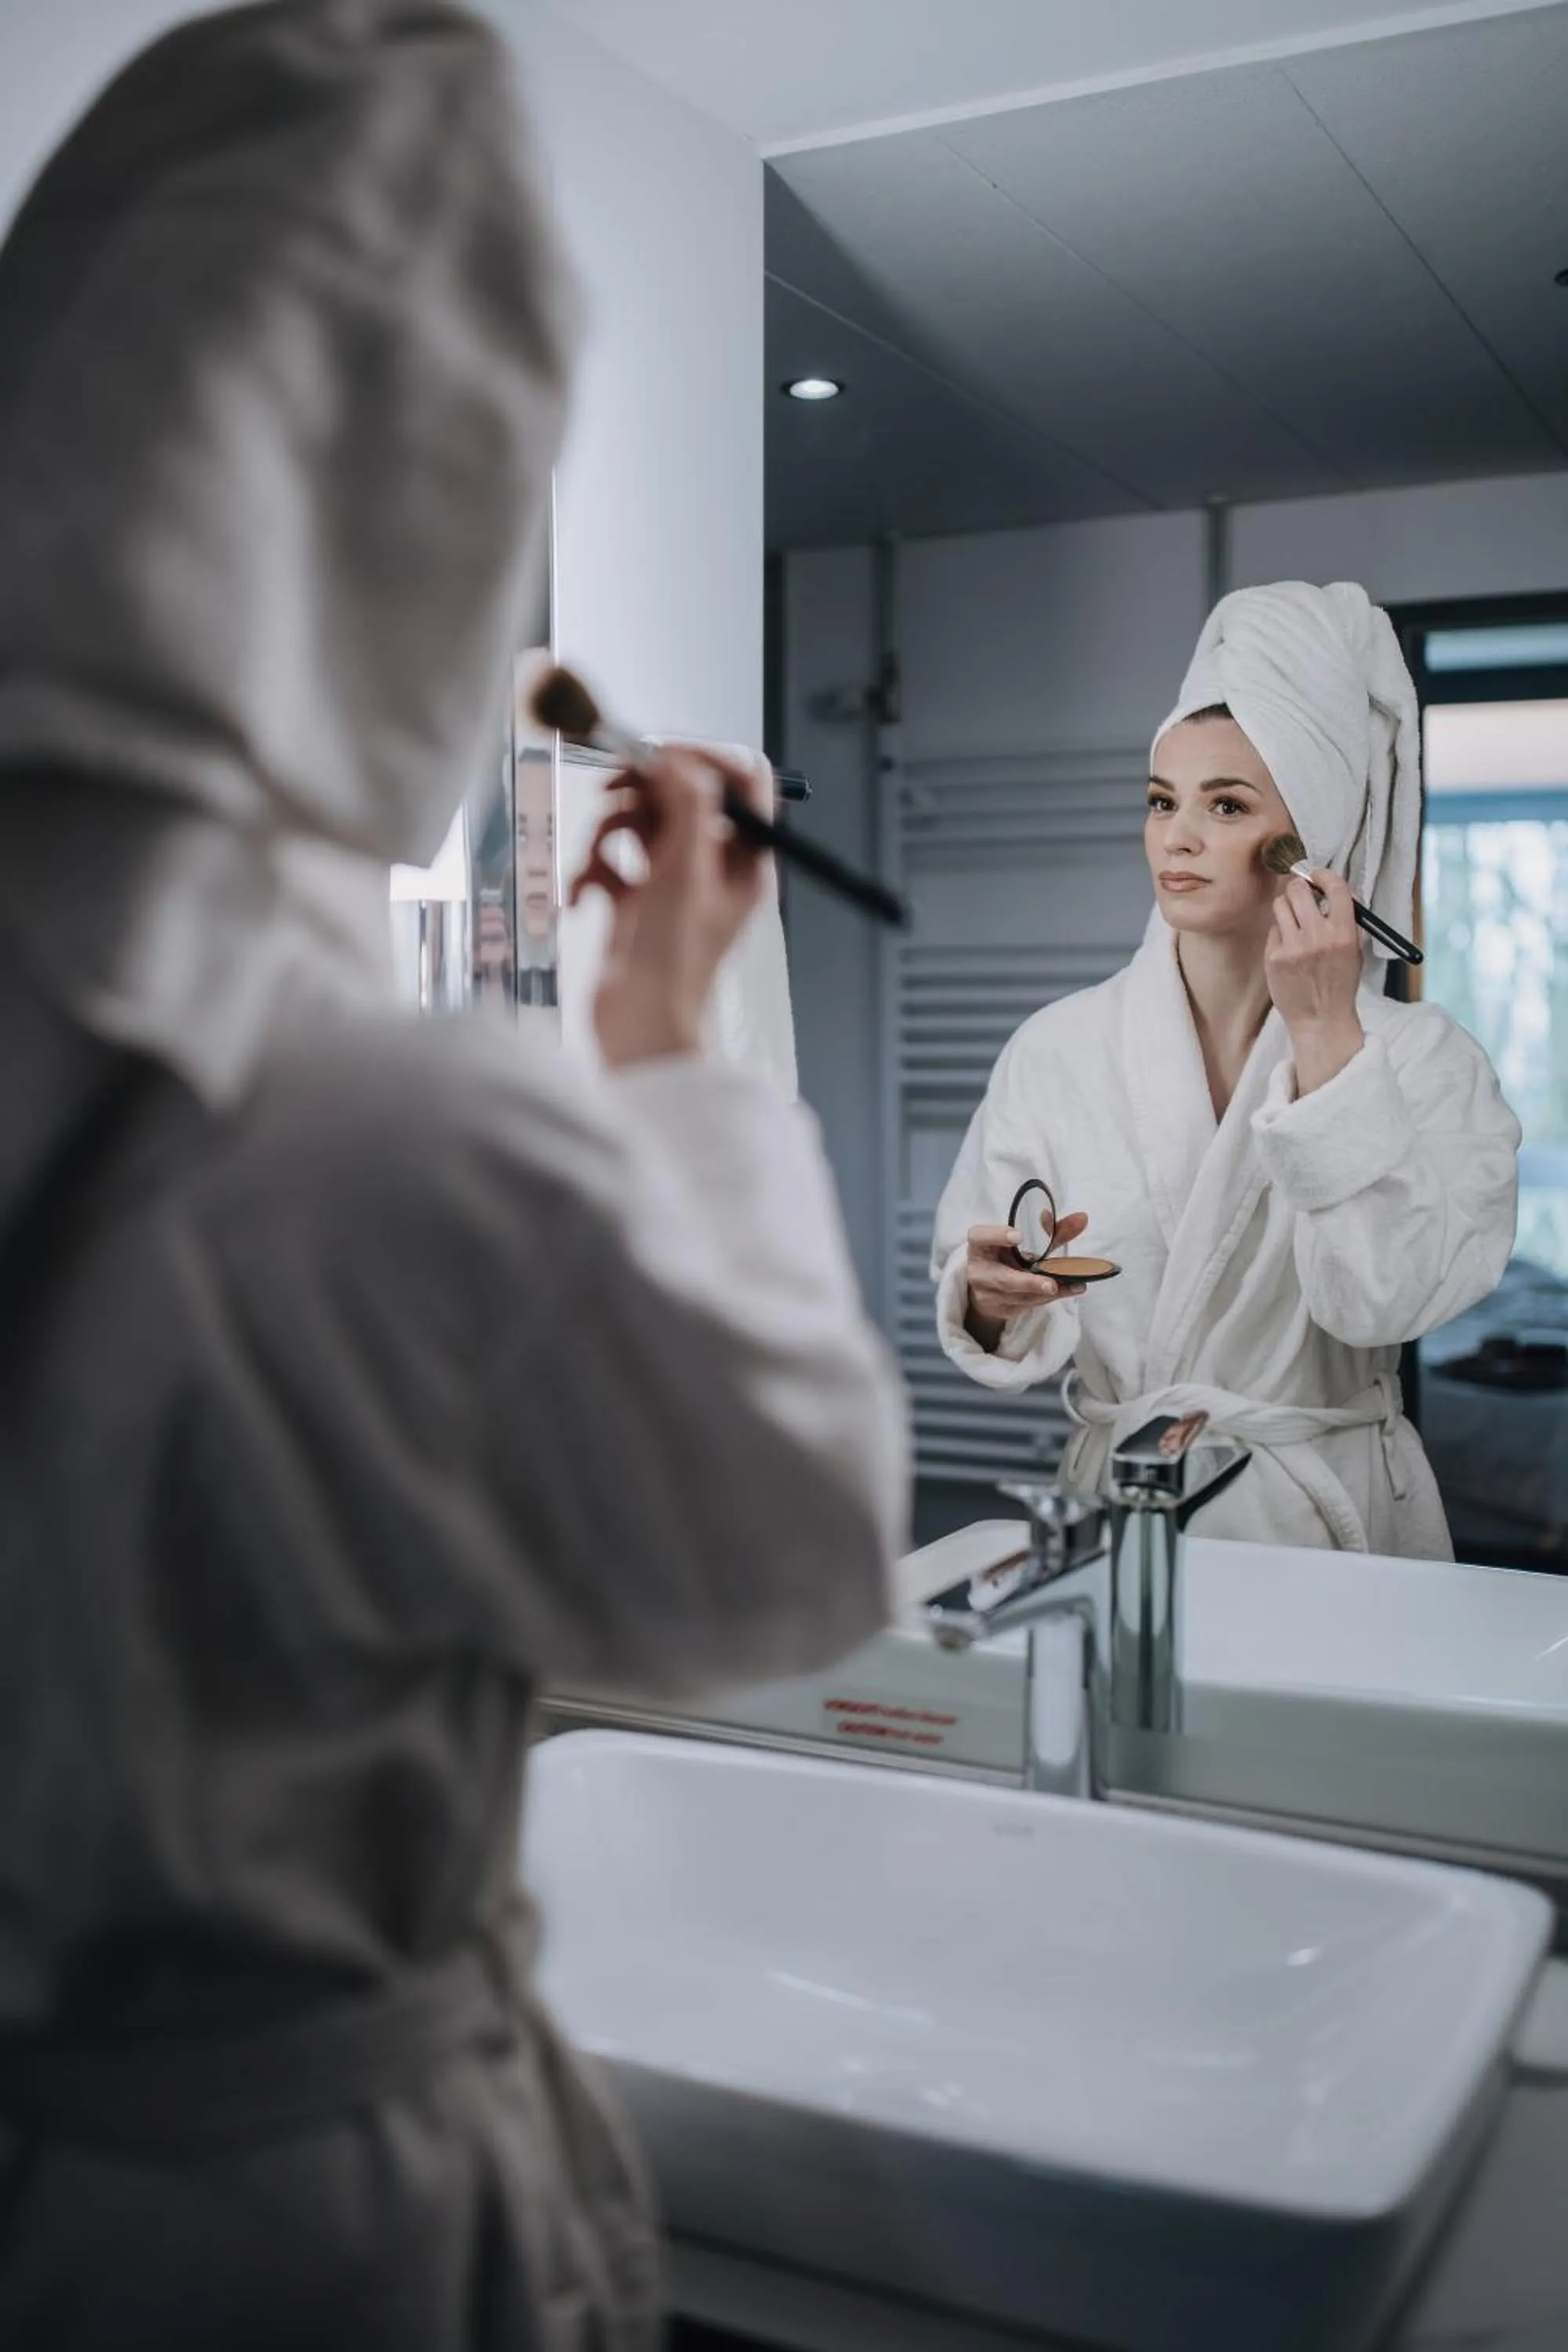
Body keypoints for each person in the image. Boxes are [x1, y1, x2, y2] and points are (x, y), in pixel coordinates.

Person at [0, 5, 906, 2347]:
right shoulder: (377, 1131)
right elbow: (798, 1548)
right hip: (308, 2240)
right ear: (413, 503)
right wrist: (666, 1040)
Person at [932, 579, 1519, 1559]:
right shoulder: (1058, 1046)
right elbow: (983, 1274)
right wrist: (989, 1300)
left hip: (1324, 1524)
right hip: (1122, 1512)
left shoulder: (1425, 1062)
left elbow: (1386, 1301)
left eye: (1226, 804)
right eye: (1161, 801)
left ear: (1307, 842)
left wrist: (1328, 1036)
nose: (1179, 837)